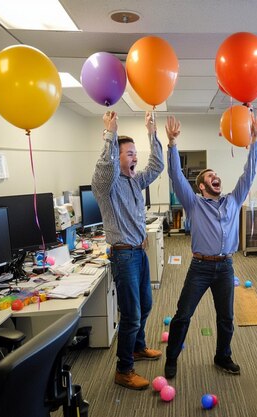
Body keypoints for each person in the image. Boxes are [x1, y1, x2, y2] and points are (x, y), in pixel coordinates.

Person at [163, 113, 257, 379]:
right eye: (210, 175)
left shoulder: (232, 200)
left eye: (216, 174)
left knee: (226, 318)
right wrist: (172, 144)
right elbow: (175, 175)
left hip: (226, 266)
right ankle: (171, 358)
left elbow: (249, 172)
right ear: (202, 185)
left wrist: (255, 140)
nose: (215, 177)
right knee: (183, 315)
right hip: (200, 267)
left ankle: (223, 356)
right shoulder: (194, 203)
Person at [92, 111, 164, 390]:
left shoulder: (135, 181)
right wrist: (110, 135)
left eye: (136, 153)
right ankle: (124, 370)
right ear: (116, 156)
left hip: (139, 252)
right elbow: (103, 169)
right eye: (130, 153)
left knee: (145, 305)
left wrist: (152, 132)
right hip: (123, 255)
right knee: (132, 313)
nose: (135, 157)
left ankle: (137, 347)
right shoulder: (106, 187)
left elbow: (157, 167)